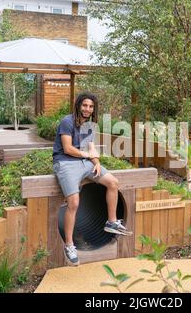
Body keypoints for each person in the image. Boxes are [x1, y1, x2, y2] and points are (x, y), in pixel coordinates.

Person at [52, 92, 132, 266]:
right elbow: (67, 148)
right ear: (78, 105)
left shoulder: (89, 125)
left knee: (113, 182)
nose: (87, 109)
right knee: (73, 202)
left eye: (91, 106)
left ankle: (111, 222)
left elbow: (91, 148)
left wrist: (95, 161)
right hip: (65, 163)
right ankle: (69, 245)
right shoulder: (67, 122)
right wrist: (88, 155)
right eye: (85, 105)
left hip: (84, 162)